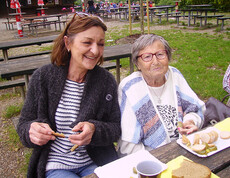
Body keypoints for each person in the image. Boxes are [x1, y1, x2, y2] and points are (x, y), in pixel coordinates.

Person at [17, 13, 121, 178]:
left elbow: (116, 128)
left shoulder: (106, 81)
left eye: (100, 44)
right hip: (56, 165)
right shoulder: (43, 77)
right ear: (68, 43)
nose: (95, 51)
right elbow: (23, 125)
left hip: (96, 162)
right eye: (87, 42)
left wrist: (94, 130)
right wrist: (32, 131)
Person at [118, 34, 206, 156]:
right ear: (137, 64)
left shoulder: (174, 75)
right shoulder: (130, 87)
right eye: (147, 57)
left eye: (160, 54)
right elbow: (129, 143)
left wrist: (190, 121)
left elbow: (195, 109)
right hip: (150, 157)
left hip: (185, 147)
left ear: (168, 56)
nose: (155, 61)